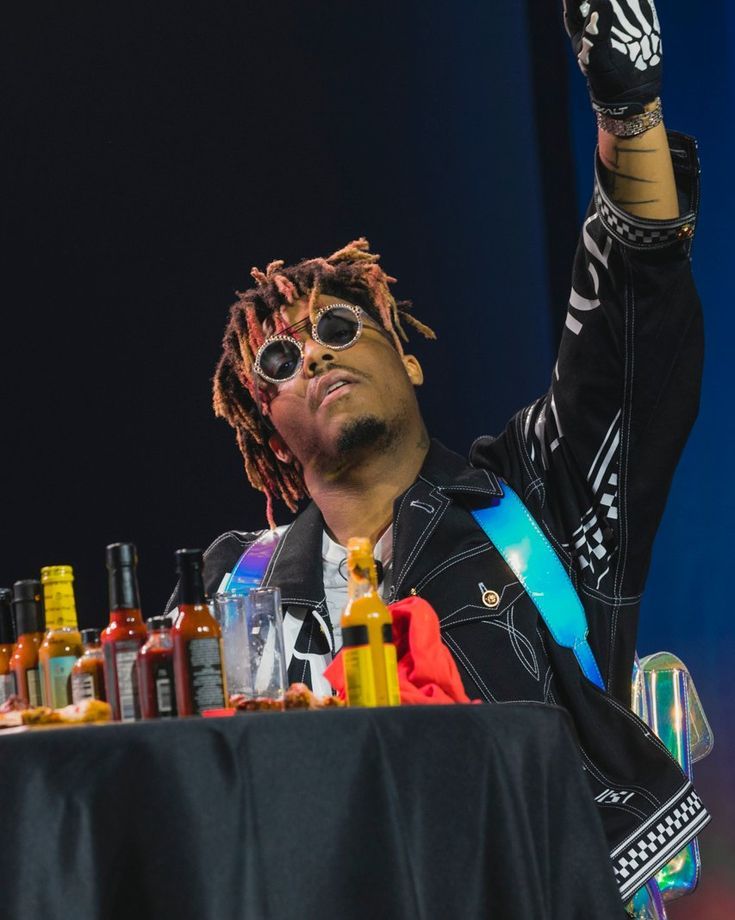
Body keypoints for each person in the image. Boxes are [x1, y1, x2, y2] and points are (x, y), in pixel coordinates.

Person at [168, 0, 709, 901]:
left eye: (341, 324)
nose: (314, 352)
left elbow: (630, 334)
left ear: (406, 355)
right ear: (267, 420)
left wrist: (628, 115)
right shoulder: (237, 595)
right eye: (280, 358)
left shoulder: (535, 496)